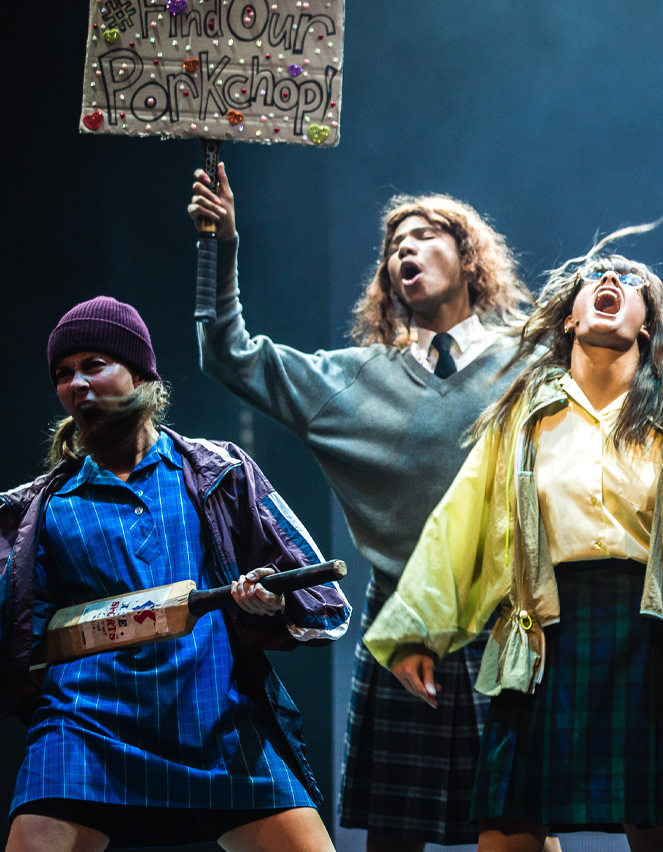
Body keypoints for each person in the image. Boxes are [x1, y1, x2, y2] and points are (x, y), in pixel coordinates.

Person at [189, 165, 532, 852]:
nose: (404, 249)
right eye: (392, 246)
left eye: (424, 235)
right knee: (395, 831)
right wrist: (218, 244)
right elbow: (228, 353)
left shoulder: (530, 360)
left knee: (522, 817)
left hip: (508, 612)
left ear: (469, 258)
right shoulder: (348, 382)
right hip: (401, 614)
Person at [362, 228, 663, 852]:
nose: (611, 283)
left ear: (648, 325)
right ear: (569, 316)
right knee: (505, 829)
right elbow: (464, 520)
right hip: (546, 632)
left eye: (631, 282)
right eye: (596, 279)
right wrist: (418, 629)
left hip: (650, 633)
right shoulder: (525, 416)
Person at [0, 296, 352, 852]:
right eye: (64, 374)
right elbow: (19, 632)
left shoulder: (218, 470)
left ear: (140, 373)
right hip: (86, 726)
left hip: (215, 718)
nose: (77, 384)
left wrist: (267, 604)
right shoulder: (41, 507)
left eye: (94, 365)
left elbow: (317, 592)